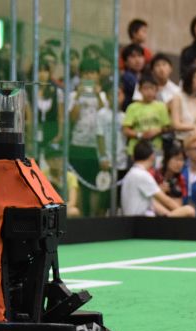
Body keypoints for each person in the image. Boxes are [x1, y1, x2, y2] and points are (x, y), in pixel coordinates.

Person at [69, 58, 107, 216]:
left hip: (96, 147)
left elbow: (105, 116)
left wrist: (97, 95)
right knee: (79, 185)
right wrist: (78, 96)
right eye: (85, 73)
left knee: (95, 185)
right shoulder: (73, 95)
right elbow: (72, 118)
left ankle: (93, 219)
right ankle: (81, 219)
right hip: (78, 145)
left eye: (92, 73)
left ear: (98, 75)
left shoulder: (104, 96)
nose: (89, 77)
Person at [121, 139, 196, 217]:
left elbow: (153, 203)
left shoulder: (129, 175)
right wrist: (182, 212)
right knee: (189, 210)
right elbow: (166, 201)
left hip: (137, 220)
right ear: (152, 157)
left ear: (133, 157)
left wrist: (169, 214)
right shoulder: (143, 175)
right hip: (143, 222)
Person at [122, 76, 171, 158]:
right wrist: (141, 135)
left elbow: (167, 127)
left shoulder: (161, 106)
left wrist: (158, 130)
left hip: (156, 149)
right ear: (139, 90)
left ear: (156, 90)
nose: (149, 92)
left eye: (152, 88)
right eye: (145, 88)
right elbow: (126, 130)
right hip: (135, 149)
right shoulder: (132, 107)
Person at [170, 66, 196, 142]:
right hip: (182, 140)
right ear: (189, 79)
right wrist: (193, 127)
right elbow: (175, 124)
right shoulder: (178, 97)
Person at [44, 148, 81, 218]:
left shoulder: (70, 177)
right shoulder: (41, 175)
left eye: (59, 158)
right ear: (46, 161)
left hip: (63, 207)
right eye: (52, 158)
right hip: (46, 208)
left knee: (74, 212)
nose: (56, 161)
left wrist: (59, 209)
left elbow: (72, 201)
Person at [151, 140, 188, 210]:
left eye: (181, 160)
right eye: (176, 159)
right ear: (167, 159)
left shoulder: (181, 179)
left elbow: (180, 204)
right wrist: (159, 192)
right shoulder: (154, 175)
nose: (179, 163)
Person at [120, 43, 146, 110]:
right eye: (133, 57)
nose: (137, 60)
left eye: (140, 56)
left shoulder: (146, 76)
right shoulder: (127, 76)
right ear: (125, 62)